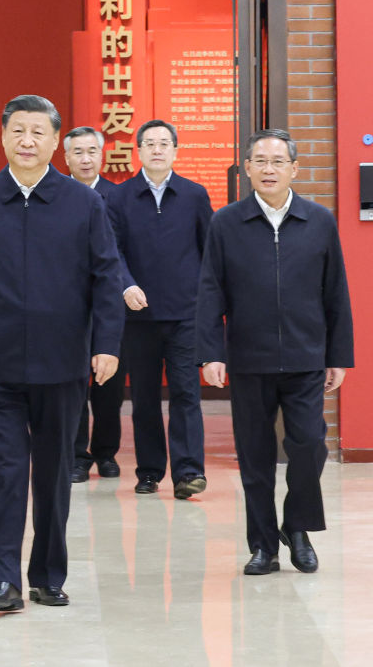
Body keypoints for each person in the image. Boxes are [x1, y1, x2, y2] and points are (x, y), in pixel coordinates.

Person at [0, 95, 124, 612]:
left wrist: (106, 344)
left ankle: (47, 575)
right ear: (2, 136)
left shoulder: (83, 202)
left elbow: (106, 275)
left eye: (38, 132)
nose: (27, 141)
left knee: (52, 472)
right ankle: (1, 581)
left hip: (61, 362)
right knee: (4, 469)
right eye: (17, 131)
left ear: (55, 141)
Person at [196, 128, 354, 575]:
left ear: (294, 169)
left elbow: (336, 292)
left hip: (306, 356)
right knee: (255, 456)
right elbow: (210, 291)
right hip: (249, 358)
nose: (269, 169)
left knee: (309, 445)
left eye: (278, 162)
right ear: (246, 168)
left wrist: (338, 355)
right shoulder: (226, 222)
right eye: (260, 161)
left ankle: (297, 526)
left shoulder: (319, 221)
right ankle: (263, 546)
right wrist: (210, 352)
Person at [106, 119, 212, 499]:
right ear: (138, 150)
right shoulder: (119, 197)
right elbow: (111, 251)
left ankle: (189, 472)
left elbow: (209, 251)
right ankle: (149, 471)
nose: (156, 149)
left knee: (186, 393)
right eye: (149, 143)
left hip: (185, 314)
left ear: (175, 151)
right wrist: (126, 284)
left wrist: (207, 304)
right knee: (145, 397)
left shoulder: (194, 195)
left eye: (164, 143)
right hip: (139, 316)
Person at [63, 126, 125, 483]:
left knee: (108, 388)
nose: (85, 159)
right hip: (69, 307)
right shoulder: (59, 195)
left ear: (102, 156)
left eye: (92, 152)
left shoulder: (118, 197)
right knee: (73, 385)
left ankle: (106, 452)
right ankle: (77, 455)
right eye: (78, 152)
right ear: (66, 157)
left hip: (109, 305)